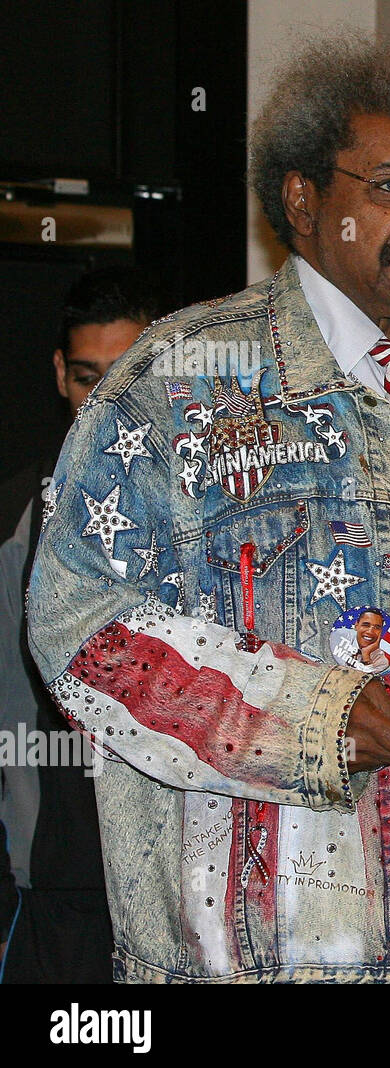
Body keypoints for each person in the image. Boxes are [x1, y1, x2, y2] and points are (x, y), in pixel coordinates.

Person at [26, 35, 390, 984]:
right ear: (304, 203)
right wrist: (312, 719)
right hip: (286, 931)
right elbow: (77, 627)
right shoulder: (179, 383)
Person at [0, 267, 162, 983]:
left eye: (124, 377)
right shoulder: (18, 521)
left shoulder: (211, 515)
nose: (102, 402)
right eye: (87, 377)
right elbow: (8, 702)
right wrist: (24, 859)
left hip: (184, 885)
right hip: (63, 888)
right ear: (60, 374)